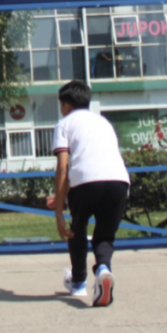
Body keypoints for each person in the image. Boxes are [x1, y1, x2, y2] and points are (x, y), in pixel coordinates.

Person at [52, 79, 130, 307]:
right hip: (118, 180)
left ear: (65, 105)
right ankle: (103, 270)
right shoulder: (103, 122)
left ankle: (78, 284)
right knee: (104, 236)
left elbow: (63, 167)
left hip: (85, 182)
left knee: (76, 229)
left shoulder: (64, 124)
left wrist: (58, 210)